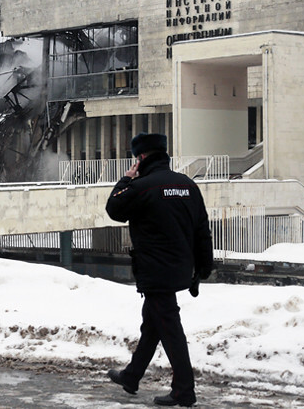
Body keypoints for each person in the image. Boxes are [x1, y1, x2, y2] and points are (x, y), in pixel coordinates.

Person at [105, 133, 213, 407]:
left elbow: (114, 207)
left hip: (155, 271)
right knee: (153, 324)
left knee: (170, 329)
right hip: (179, 268)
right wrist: (203, 267)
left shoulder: (142, 187)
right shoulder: (188, 185)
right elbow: (202, 229)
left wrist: (126, 178)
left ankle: (184, 391)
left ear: (141, 158)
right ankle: (131, 376)